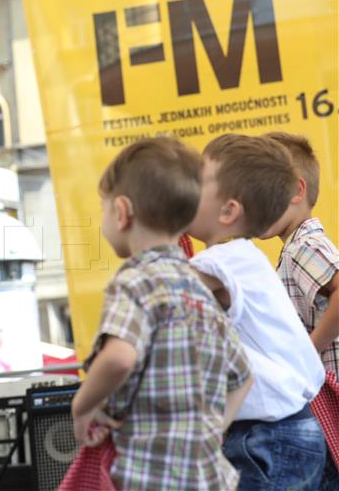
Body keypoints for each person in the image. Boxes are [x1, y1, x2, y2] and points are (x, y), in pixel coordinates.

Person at [72, 137, 253, 490]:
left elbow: (119, 359)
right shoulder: (199, 288)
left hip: (151, 476)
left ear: (122, 212)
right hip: (210, 478)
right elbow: (243, 376)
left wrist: (82, 407)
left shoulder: (135, 282)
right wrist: (212, 431)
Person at [188, 133, 326, 491]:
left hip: (268, 437)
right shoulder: (247, 258)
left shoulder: (225, 259)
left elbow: (163, 295)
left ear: (229, 210)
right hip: (287, 430)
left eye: (197, 182)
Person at [258, 131, 339, 489]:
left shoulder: (302, 247)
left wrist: (311, 347)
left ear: (297, 191)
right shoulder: (295, 248)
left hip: (327, 405)